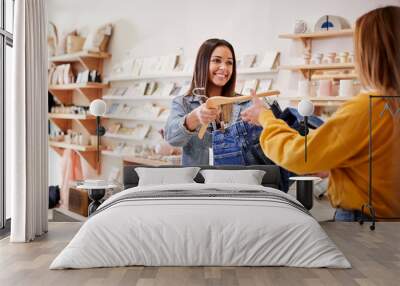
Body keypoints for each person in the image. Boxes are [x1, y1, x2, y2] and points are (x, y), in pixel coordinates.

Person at [241, 6, 400, 220]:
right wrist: (340, 169)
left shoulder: (369, 109)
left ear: (368, 54)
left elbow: (300, 155)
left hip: (366, 222)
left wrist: (265, 117)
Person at [164, 38, 248, 165]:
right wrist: (194, 117)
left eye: (229, 63)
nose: (224, 67)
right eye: (216, 60)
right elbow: (172, 139)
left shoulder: (244, 104)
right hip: (197, 182)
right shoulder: (182, 103)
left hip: (234, 181)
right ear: (202, 63)